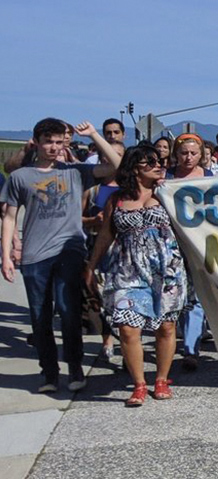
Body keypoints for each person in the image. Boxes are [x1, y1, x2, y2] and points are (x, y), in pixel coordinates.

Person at [1, 119, 121, 393]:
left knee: (68, 313)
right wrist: (6, 254)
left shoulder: (76, 172)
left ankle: (75, 368)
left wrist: (94, 134)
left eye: (59, 141)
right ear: (37, 142)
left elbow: (117, 165)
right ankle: (49, 374)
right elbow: (9, 217)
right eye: (48, 142)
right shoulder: (21, 177)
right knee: (40, 316)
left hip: (69, 252)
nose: (54, 147)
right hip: (34, 256)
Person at [84, 144, 190, 406]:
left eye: (159, 161)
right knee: (128, 328)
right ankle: (139, 384)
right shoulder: (116, 200)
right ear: (134, 168)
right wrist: (91, 265)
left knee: (166, 327)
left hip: (166, 270)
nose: (158, 166)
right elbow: (107, 234)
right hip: (127, 270)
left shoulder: (168, 194)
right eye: (150, 162)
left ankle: (162, 379)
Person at [165, 134, 212, 371]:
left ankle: (191, 349)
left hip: (201, 245)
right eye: (184, 153)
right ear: (176, 154)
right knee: (175, 296)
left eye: (194, 153)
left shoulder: (210, 178)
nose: (189, 157)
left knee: (196, 298)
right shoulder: (166, 179)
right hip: (172, 247)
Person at [82, 143, 125, 360]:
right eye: (106, 155)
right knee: (98, 298)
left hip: (124, 252)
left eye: (117, 155)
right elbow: (75, 218)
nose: (111, 159)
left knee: (122, 299)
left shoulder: (131, 188)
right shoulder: (93, 189)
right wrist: (92, 220)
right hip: (97, 247)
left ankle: (126, 345)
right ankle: (106, 336)